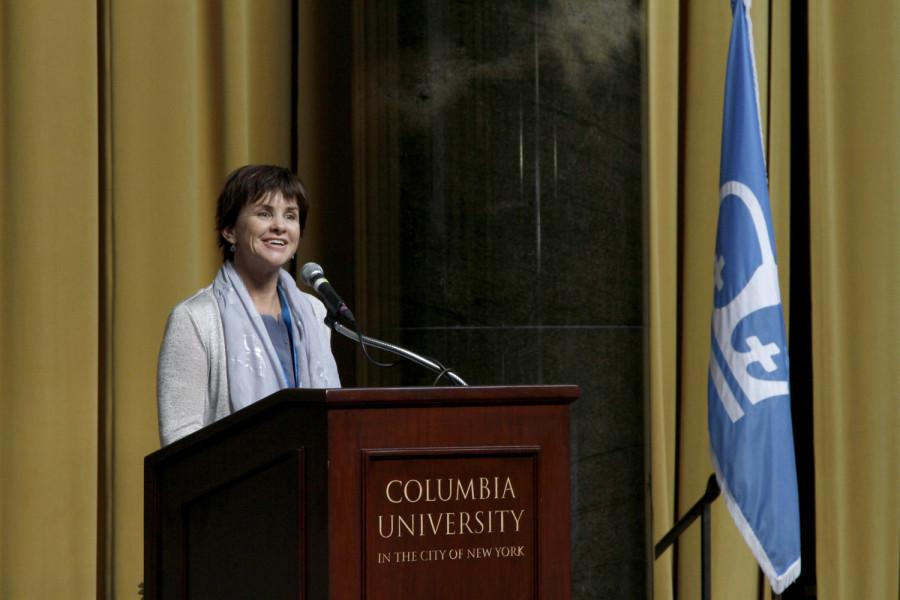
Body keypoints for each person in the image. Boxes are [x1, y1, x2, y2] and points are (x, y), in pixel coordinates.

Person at [156, 164, 340, 446]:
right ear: (230, 230)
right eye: (264, 213)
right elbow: (179, 436)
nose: (280, 225)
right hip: (233, 485)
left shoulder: (314, 312)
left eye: (290, 216)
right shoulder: (195, 318)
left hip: (311, 480)